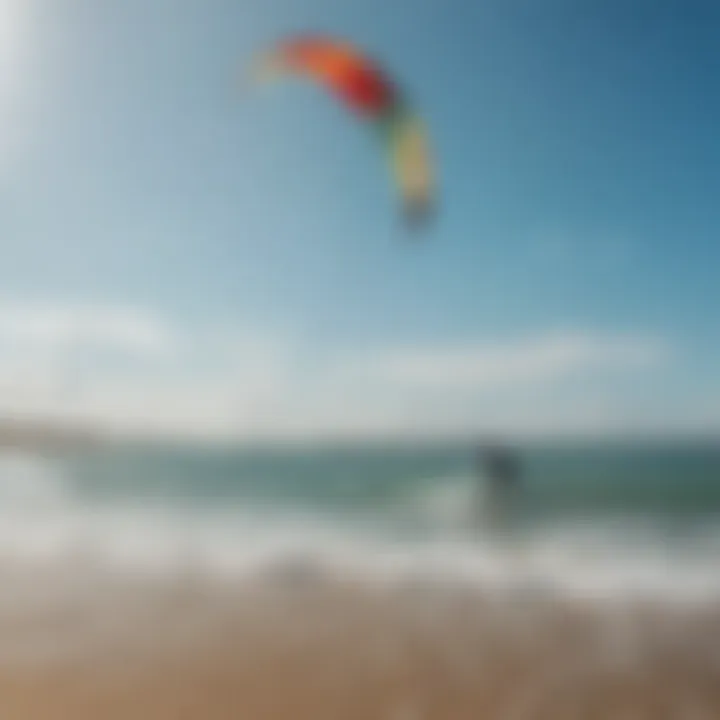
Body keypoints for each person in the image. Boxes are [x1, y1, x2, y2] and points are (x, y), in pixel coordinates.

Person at [473, 441, 522, 531]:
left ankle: (496, 525)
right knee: (498, 505)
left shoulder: (496, 459)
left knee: (495, 504)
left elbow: (503, 474)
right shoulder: (499, 459)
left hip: (501, 484)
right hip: (503, 484)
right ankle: (497, 526)